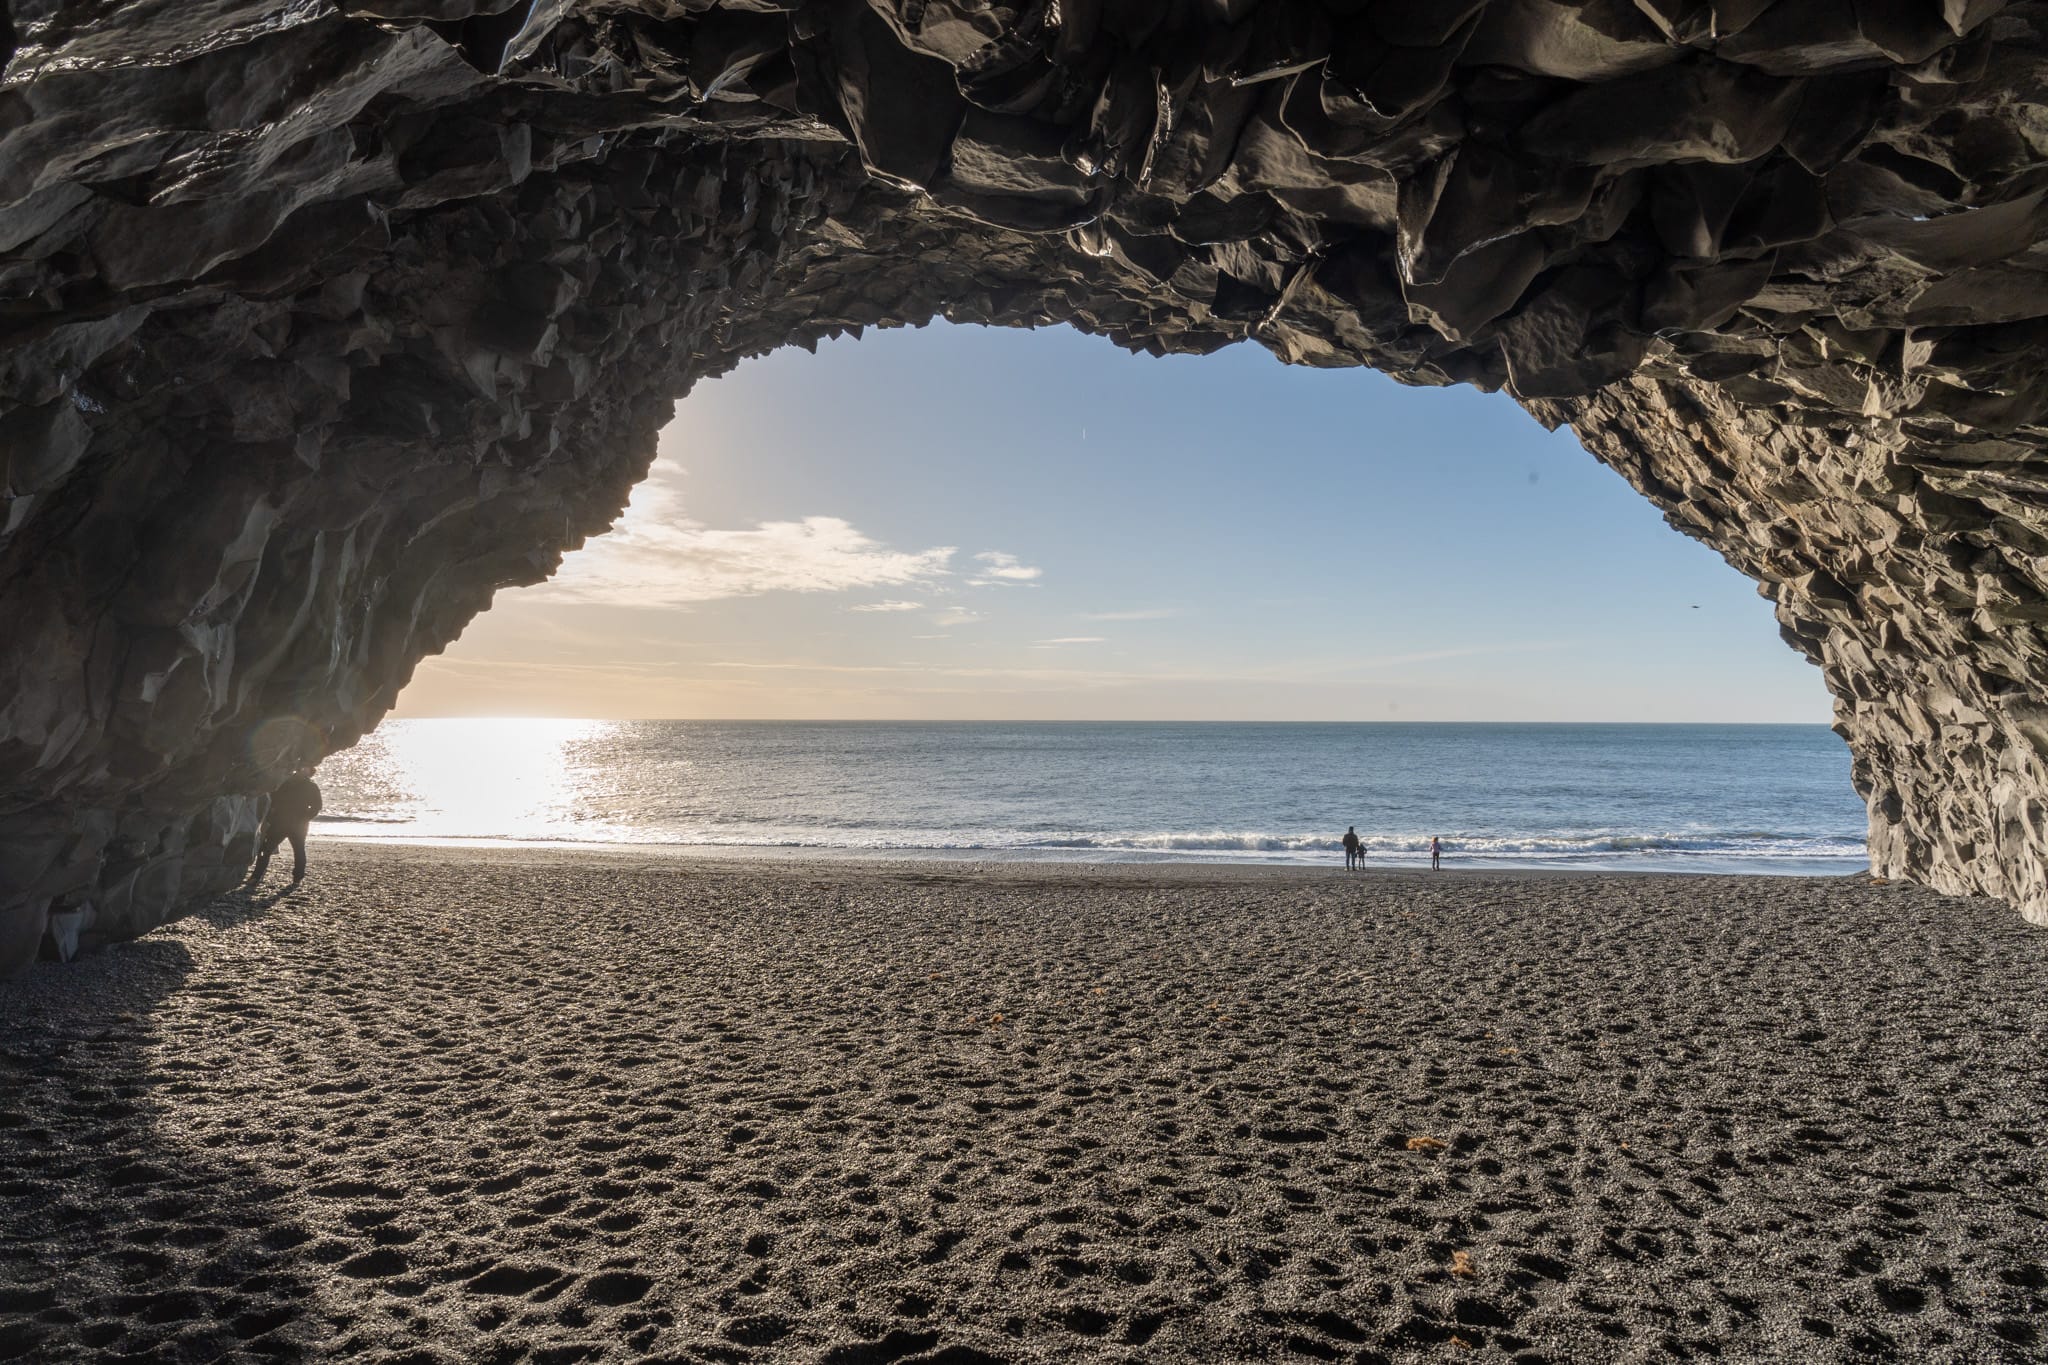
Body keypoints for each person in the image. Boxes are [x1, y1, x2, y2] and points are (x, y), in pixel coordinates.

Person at [249, 766, 323, 887]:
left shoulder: (311, 787)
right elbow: (272, 799)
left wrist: (305, 818)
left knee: (299, 850)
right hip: (280, 823)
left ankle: (297, 877)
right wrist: (271, 817)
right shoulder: (285, 782)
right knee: (265, 849)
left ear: (310, 773)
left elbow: (317, 806)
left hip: (299, 824)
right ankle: (256, 876)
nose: (302, 770)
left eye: (306, 769)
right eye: (301, 768)